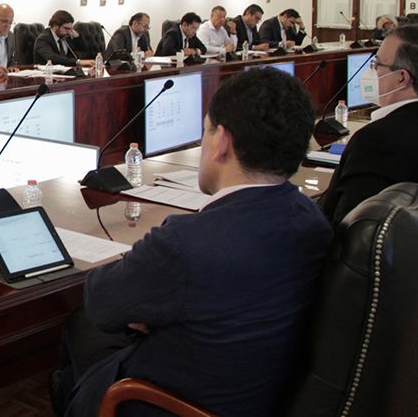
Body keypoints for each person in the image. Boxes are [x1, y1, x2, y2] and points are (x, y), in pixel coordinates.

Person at [51, 69, 332, 417]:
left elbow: (101, 302)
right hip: (256, 393)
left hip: (167, 403)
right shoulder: (313, 220)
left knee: (81, 332)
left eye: (205, 131)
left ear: (222, 142)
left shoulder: (186, 243)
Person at [318, 25, 418, 226]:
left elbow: (345, 227)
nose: (372, 71)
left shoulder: (375, 141)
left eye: (376, 64)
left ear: (402, 77)